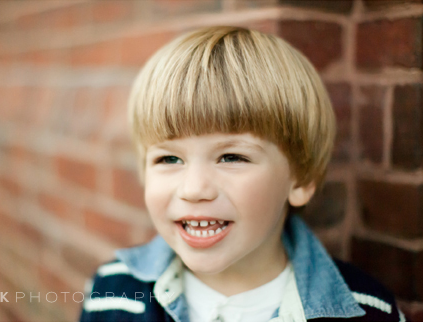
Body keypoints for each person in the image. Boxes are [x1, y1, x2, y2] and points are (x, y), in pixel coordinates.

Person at [79, 26, 403, 322]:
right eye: (169, 159)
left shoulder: (371, 311)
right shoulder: (112, 294)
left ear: (301, 180)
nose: (194, 189)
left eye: (231, 156)